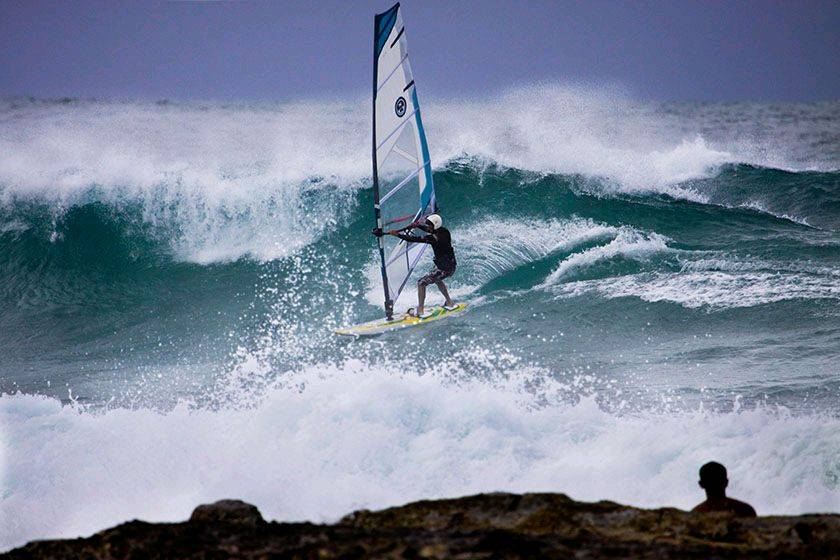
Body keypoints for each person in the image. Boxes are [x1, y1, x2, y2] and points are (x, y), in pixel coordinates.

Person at [377, 213, 456, 318]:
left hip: (445, 269)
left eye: (429, 225)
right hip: (449, 265)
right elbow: (430, 230)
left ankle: (420, 311)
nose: (428, 227)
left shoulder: (434, 238)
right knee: (437, 279)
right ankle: (449, 302)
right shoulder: (444, 231)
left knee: (421, 283)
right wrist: (418, 225)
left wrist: (397, 235)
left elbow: (413, 239)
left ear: (435, 226)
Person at [691, 461, 757, 517]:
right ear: (726, 482)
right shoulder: (745, 510)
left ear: (701, 484)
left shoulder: (695, 515)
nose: (714, 483)